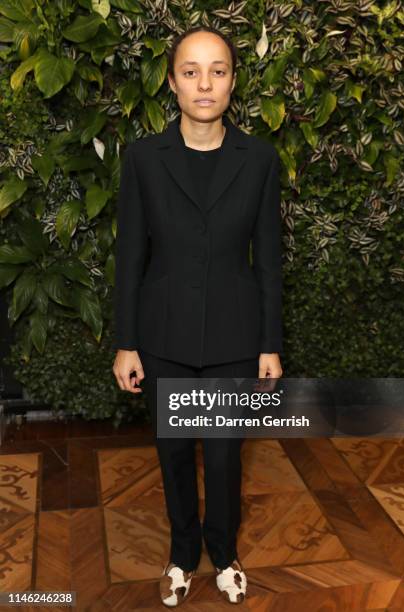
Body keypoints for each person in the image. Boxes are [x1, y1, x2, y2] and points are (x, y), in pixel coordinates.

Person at [113, 26, 283, 607]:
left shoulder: (259, 159)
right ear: (172, 82)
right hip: (163, 338)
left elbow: (269, 260)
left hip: (235, 339)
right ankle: (182, 554)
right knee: (175, 454)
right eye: (191, 71)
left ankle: (224, 552)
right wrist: (127, 342)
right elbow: (130, 256)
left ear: (234, 81)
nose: (204, 83)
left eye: (218, 70)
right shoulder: (143, 159)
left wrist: (269, 342)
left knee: (225, 455)